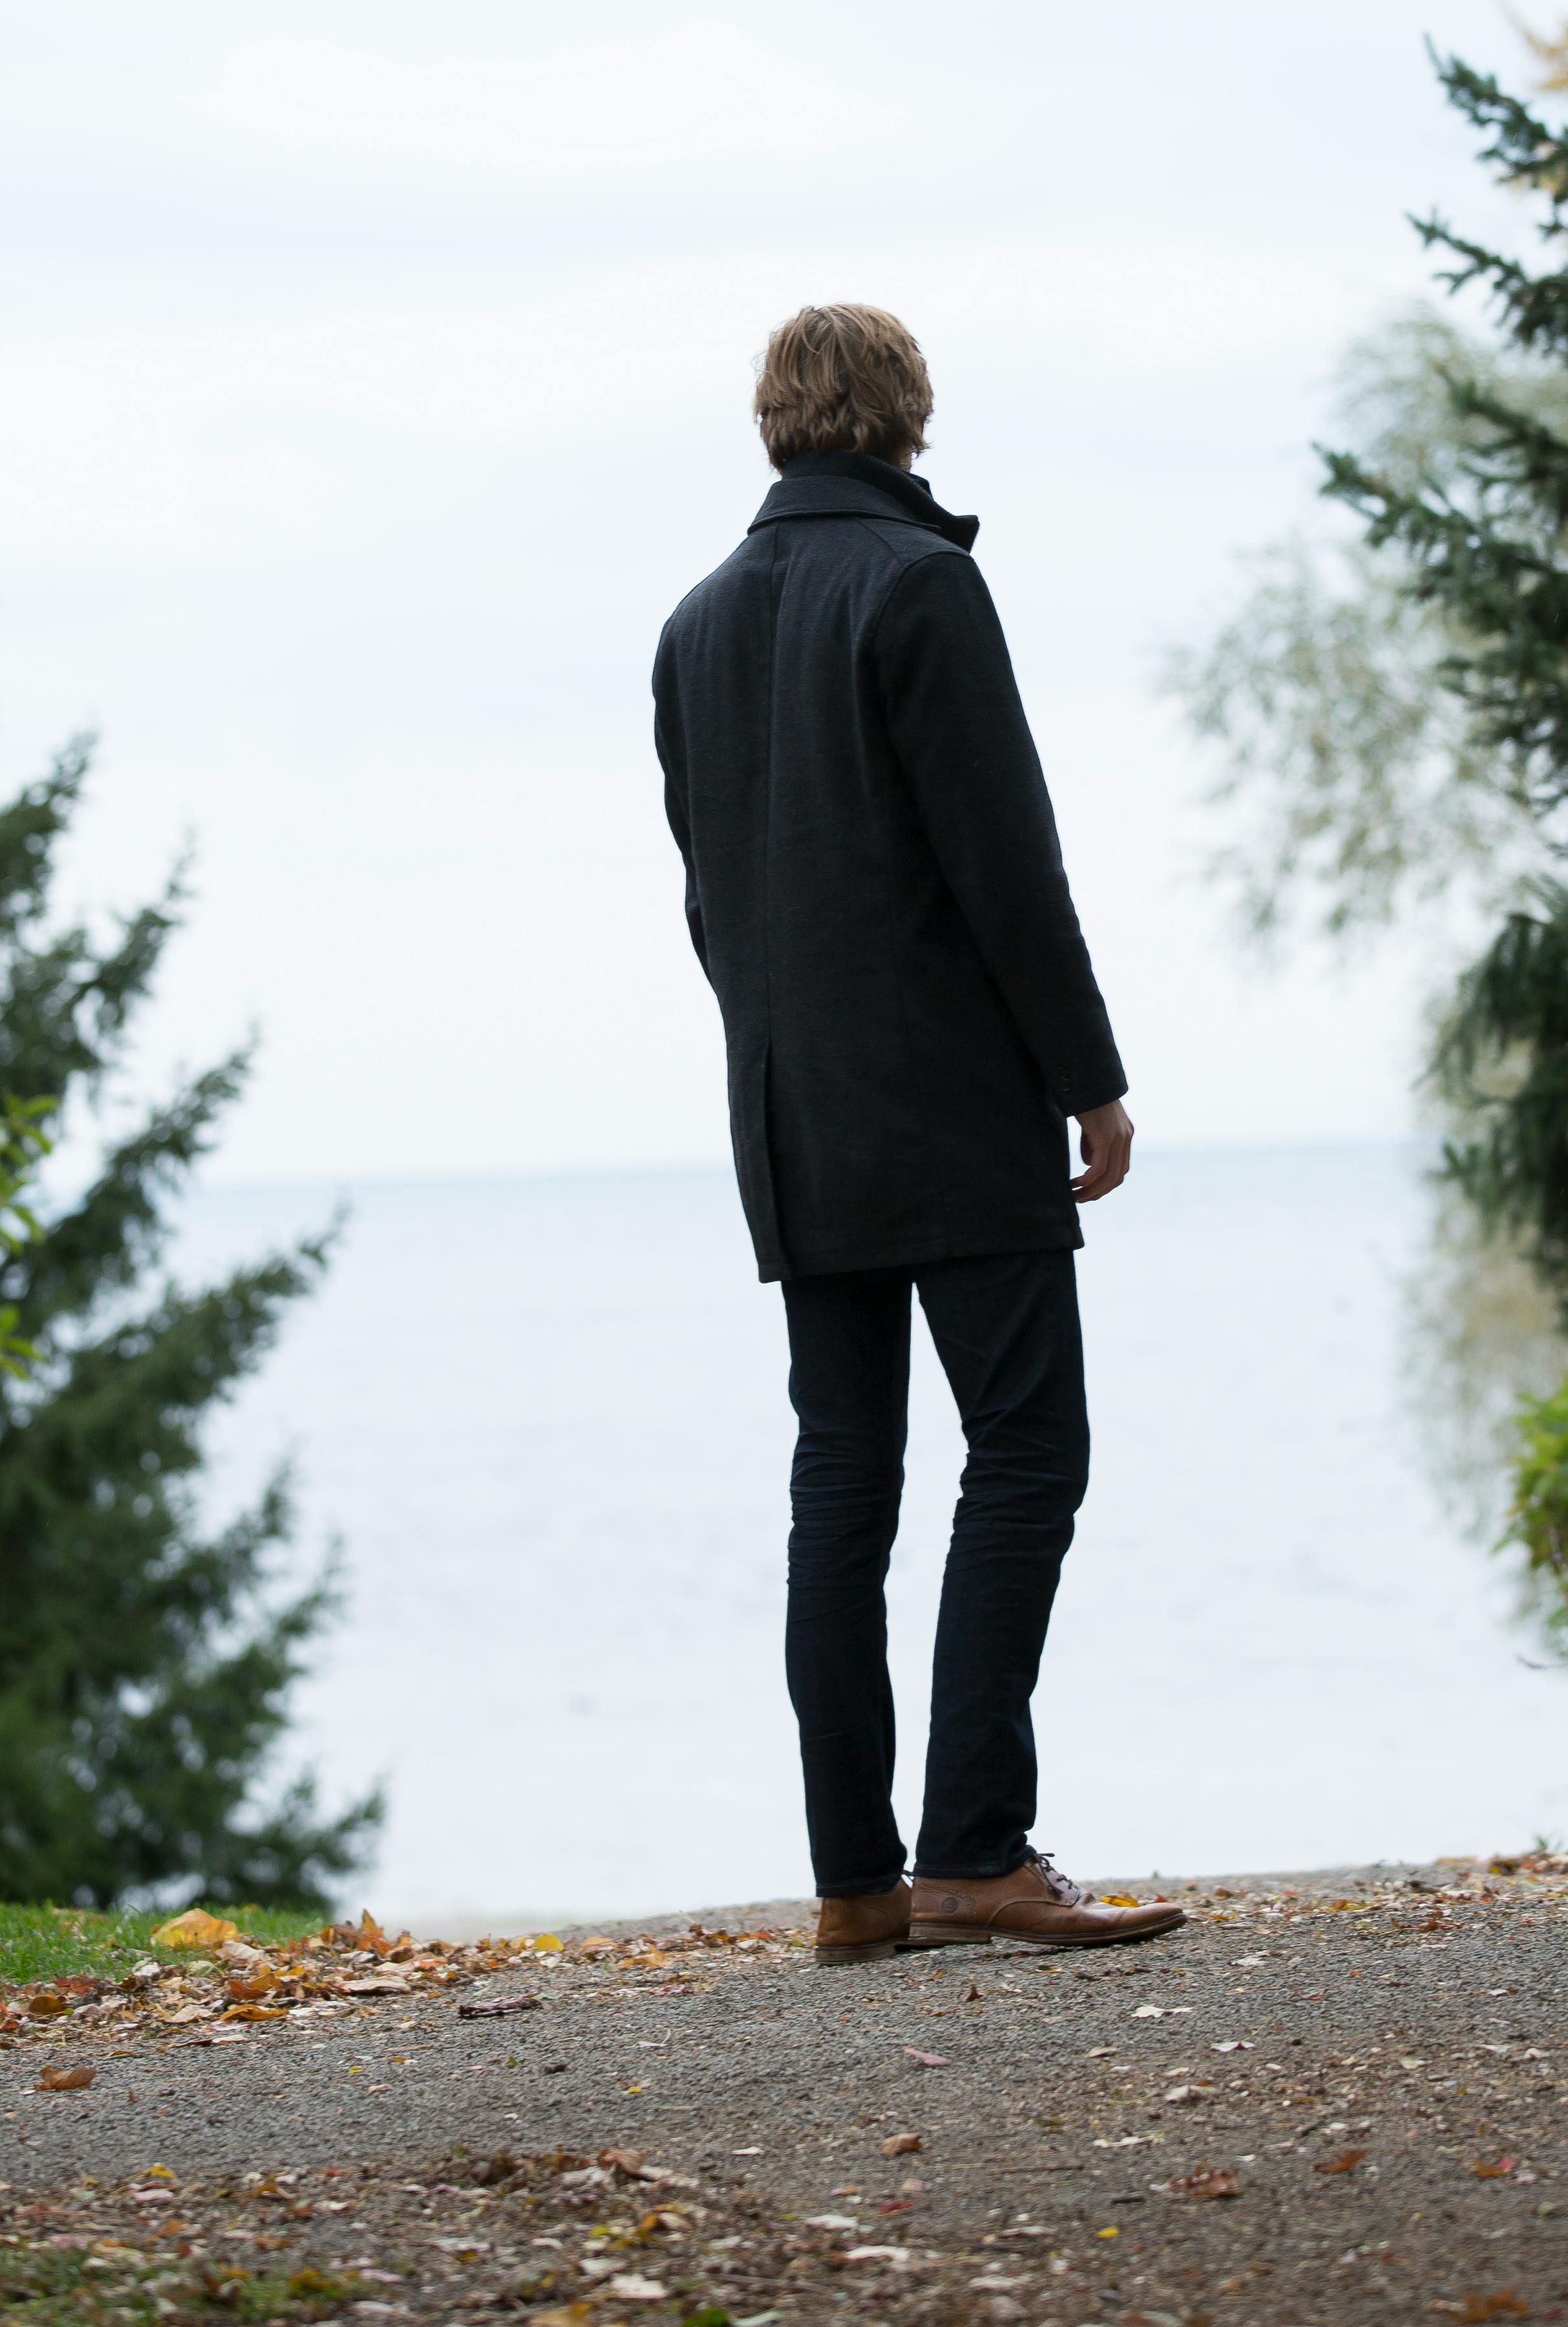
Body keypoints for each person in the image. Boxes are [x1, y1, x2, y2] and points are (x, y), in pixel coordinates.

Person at [651, 302, 1185, 1963]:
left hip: (793, 1114)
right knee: (1027, 1454)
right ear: (904, 418)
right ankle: (973, 1850)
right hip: (951, 1103)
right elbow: (1006, 868)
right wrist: (1085, 1076)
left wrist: (777, 1070)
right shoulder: (921, 586)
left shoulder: (691, 628)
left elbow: (712, 901)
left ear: (774, 425)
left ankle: (854, 1886)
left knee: (844, 1482)